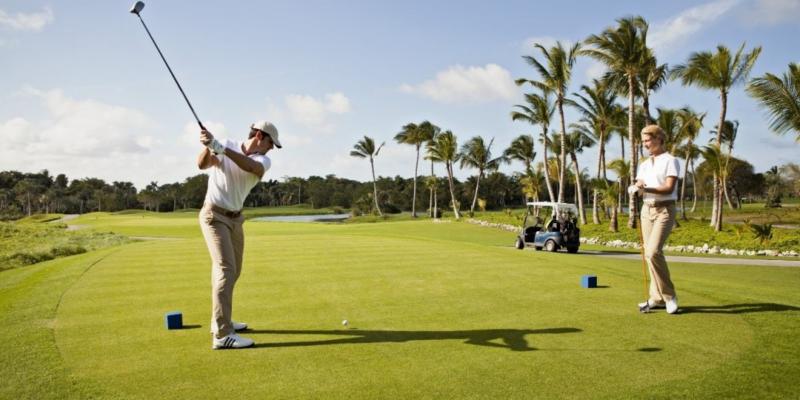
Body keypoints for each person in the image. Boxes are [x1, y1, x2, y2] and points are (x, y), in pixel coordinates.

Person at [198, 120, 282, 349]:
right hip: (213, 215)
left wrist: (222, 149)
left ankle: (219, 320)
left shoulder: (262, 160)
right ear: (259, 136)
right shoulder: (225, 144)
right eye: (271, 142)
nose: (272, 147)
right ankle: (222, 334)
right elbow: (202, 165)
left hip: (235, 219)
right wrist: (209, 147)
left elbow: (250, 167)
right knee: (226, 268)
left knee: (234, 271)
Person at [628, 124, 680, 314]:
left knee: (653, 252)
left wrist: (645, 188)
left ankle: (670, 296)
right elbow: (640, 181)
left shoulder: (670, 160)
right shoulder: (644, 164)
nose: (645, 145)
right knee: (650, 256)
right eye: (643, 142)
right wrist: (637, 185)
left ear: (659, 138)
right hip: (646, 210)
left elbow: (668, 188)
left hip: (664, 209)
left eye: (648, 140)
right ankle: (656, 298)